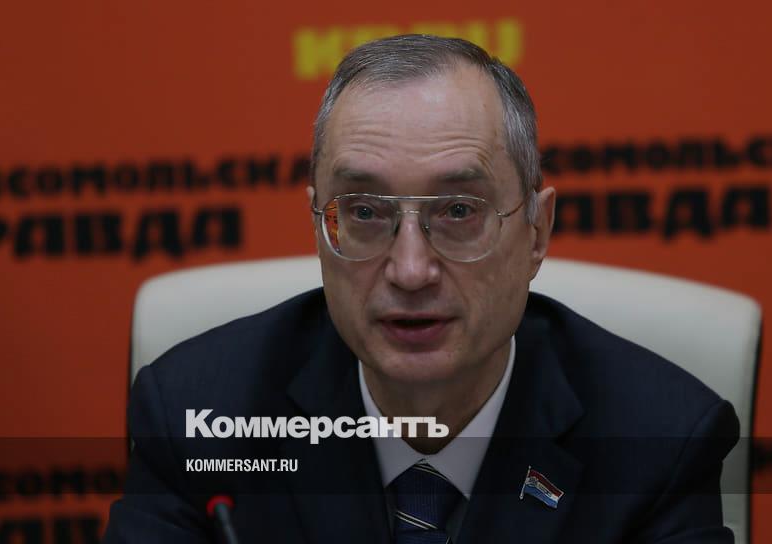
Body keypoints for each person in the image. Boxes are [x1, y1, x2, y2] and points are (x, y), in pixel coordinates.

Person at [103, 35, 739, 543]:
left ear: (536, 233)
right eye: (364, 212)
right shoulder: (201, 418)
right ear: (320, 228)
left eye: (459, 211)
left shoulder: (658, 440)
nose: (410, 271)